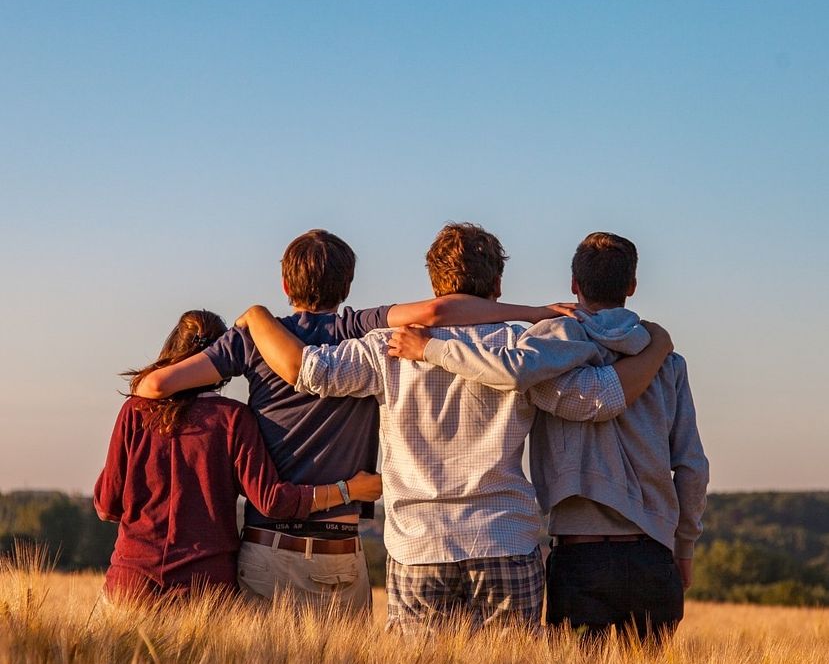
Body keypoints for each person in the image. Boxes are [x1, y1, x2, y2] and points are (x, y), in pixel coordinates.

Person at [234, 224, 673, 633]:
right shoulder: (522, 348)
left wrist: (257, 317)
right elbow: (595, 400)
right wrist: (656, 348)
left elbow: (309, 371)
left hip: (418, 544)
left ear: (434, 284)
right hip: (504, 539)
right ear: (497, 286)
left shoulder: (386, 346)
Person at [132, 229, 579, 613]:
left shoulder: (253, 339)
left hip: (270, 545)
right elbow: (436, 313)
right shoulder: (360, 329)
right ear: (347, 285)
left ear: (285, 284)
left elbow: (154, 387)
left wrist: (252, 320)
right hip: (343, 548)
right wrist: (534, 313)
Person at [390, 232, 709, 641]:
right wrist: (684, 548)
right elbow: (692, 467)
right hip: (653, 553)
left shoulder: (548, 348)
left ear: (574, 284)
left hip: (579, 554)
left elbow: (510, 370)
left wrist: (431, 349)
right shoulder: (667, 361)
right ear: (631, 286)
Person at [94, 309, 382, 602]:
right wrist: (349, 490)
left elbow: (107, 506)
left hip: (130, 583)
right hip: (206, 589)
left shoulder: (135, 411)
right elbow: (272, 501)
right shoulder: (233, 419)